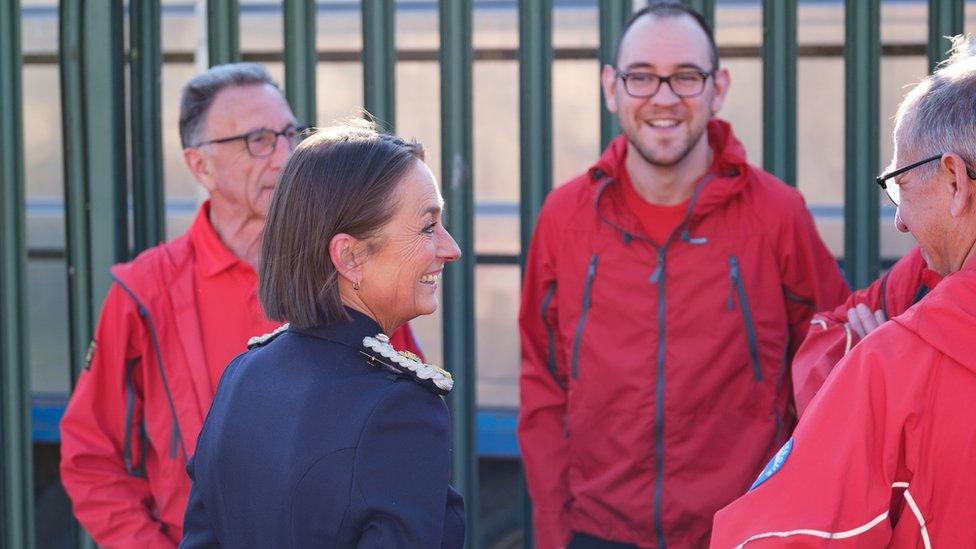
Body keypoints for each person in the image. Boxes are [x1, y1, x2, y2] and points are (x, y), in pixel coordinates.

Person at [517, 4, 849, 547]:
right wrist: (556, 532)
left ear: (718, 87)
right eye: (642, 76)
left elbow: (828, 374)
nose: (664, 98)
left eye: (686, 77)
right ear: (611, 87)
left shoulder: (777, 215)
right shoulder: (565, 219)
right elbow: (543, 385)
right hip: (598, 530)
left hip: (745, 526)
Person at [59, 63, 423, 547]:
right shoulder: (145, 291)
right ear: (199, 165)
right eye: (257, 140)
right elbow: (91, 458)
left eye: (290, 134)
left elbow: (405, 431)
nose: (284, 157)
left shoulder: (348, 266)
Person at [711, 34, 976, 547]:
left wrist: (868, 364)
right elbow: (830, 328)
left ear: (954, 181)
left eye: (899, 183)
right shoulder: (922, 276)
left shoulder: (896, 365)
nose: (898, 221)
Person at [180, 121, 464, 547]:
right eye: (428, 227)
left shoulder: (244, 377)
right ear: (349, 256)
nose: (450, 247)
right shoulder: (398, 409)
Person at [791, 245, 941, 418]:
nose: (901, 224)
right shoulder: (924, 259)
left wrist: (887, 373)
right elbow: (827, 334)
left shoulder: (933, 250)